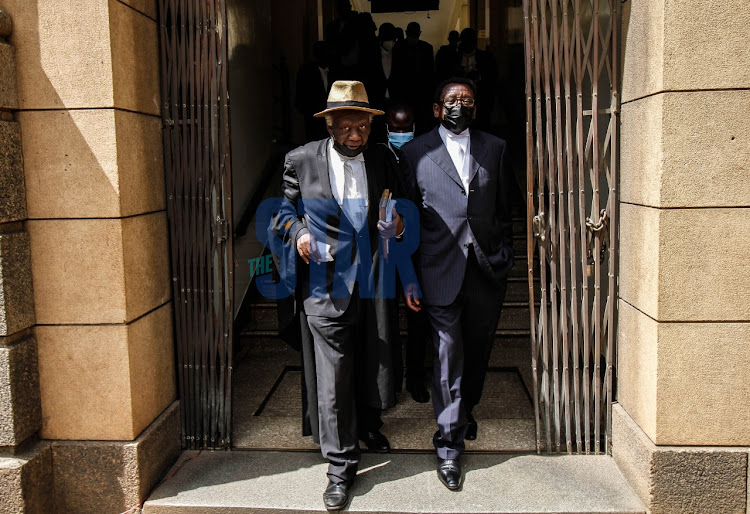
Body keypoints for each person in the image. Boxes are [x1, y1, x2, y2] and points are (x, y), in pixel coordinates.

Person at [271, 80, 408, 511]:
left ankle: (367, 425)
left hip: (374, 281)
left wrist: (398, 225)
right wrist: (300, 233)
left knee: (374, 359)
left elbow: (399, 205)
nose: (356, 136)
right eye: (347, 128)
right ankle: (339, 468)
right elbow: (282, 212)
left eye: (363, 127)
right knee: (332, 377)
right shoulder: (301, 160)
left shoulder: (384, 158)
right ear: (329, 126)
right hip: (324, 286)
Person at [399, 77, 514, 490]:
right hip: (438, 270)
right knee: (448, 354)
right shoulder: (414, 153)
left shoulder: (496, 149)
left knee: (477, 350)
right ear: (436, 109)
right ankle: (449, 446)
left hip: (486, 270)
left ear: (475, 108)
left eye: (466, 100)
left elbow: (504, 210)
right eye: (451, 100)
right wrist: (410, 278)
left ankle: (464, 413)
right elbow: (407, 223)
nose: (458, 105)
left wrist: (505, 259)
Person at [383, 102, 430, 404]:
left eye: (406, 129)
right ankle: (388, 381)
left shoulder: (425, 155)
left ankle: (415, 379)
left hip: (417, 248)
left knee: (418, 320)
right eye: (396, 129)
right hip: (384, 250)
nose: (401, 134)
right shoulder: (376, 156)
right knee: (384, 319)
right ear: (387, 129)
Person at [392, 21, 435, 134]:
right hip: (408, 92)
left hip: (418, 93)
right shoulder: (426, 47)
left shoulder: (398, 47)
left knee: (414, 123)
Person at [295, 41, 335, 142]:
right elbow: (301, 95)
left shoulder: (334, 71)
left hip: (332, 116)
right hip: (314, 116)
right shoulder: (307, 71)